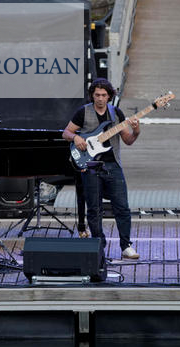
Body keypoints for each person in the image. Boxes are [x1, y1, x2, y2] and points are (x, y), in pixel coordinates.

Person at [62, 78, 140, 259]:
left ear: (109, 96)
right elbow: (66, 132)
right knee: (94, 208)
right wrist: (76, 138)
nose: (100, 98)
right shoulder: (83, 112)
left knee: (122, 207)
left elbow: (128, 140)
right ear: (92, 95)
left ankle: (126, 245)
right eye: (97, 95)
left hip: (113, 165)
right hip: (90, 166)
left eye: (104, 95)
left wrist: (136, 130)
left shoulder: (116, 113)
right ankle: (98, 244)